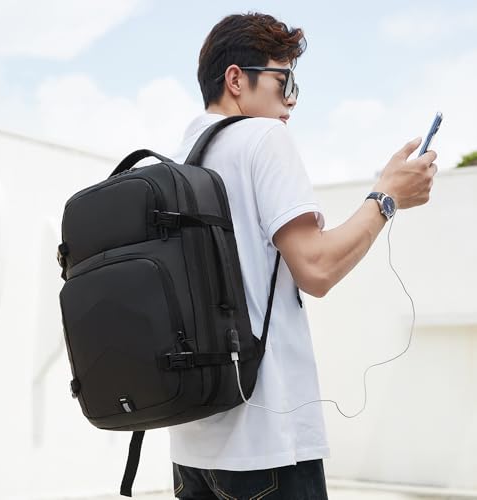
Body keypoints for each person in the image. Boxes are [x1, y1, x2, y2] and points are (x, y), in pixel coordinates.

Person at [169, 12, 437, 500]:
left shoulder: (183, 158)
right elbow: (316, 268)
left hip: (192, 450)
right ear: (236, 79)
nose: (291, 100)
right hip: (268, 445)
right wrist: (387, 196)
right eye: (284, 81)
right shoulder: (263, 137)